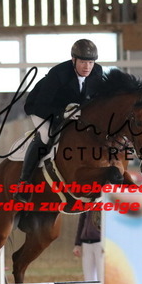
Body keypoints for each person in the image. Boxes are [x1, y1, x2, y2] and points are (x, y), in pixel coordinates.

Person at [15, 39, 104, 202]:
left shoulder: (97, 72)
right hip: (42, 108)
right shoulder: (58, 74)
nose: (87, 67)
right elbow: (41, 105)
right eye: (83, 62)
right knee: (46, 136)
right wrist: (62, 114)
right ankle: (24, 183)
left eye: (91, 62)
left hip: (73, 110)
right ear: (73, 60)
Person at [72, 210, 101, 284]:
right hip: (87, 243)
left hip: (101, 242)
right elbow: (81, 221)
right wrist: (77, 243)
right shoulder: (87, 202)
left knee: (103, 283)